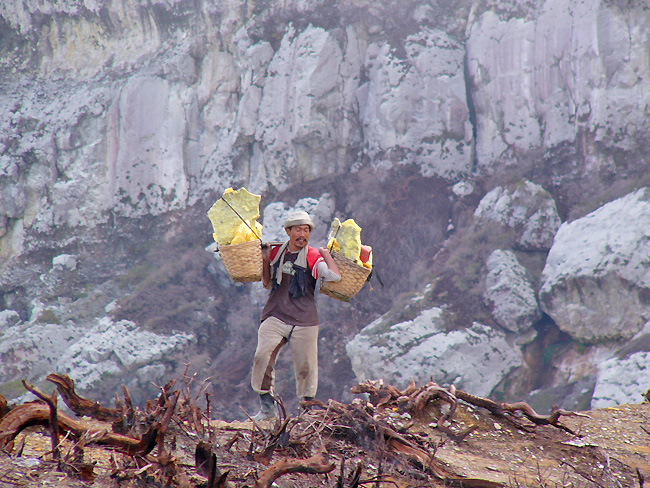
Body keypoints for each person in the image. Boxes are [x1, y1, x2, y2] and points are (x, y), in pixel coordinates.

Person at [250, 210, 341, 420]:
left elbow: (334, 276)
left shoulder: (312, 256)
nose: (303, 234)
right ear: (288, 231)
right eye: (298, 229)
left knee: (306, 367)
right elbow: (266, 283)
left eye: (306, 230)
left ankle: (306, 413)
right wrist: (264, 256)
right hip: (276, 314)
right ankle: (266, 408)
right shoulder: (276, 253)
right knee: (262, 356)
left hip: (305, 320)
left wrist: (324, 253)